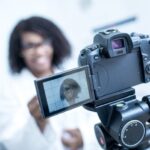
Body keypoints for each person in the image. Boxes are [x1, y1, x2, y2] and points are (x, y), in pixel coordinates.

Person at [0, 16, 100, 150]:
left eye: (44, 42)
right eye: (30, 45)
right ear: (20, 51)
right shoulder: (8, 91)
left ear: (53, 43)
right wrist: (37, 123)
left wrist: (84, 137)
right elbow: (10, 142)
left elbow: (98, 115)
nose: (39, 51)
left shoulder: (75, 75)